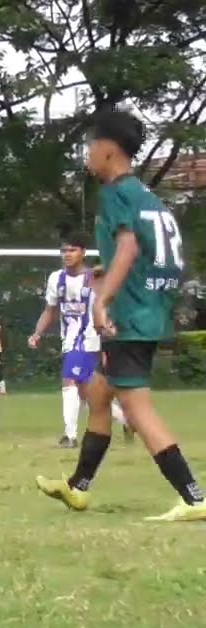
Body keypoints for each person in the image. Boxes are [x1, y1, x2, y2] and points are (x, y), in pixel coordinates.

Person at [36, 109, 204, 522]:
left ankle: (194, 495)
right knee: (98, 394)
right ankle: (78, 488)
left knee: (137, 408)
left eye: (91, 146)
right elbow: (157, 256)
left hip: (129, 317)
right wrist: (110, 277)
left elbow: (128, 248)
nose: (88, 155)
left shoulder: (115, 194)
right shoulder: (148, 198)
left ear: (109, 150)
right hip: (149, 310)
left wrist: (102, 299)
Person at [28, 236, 132, 448]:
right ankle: (127, 420)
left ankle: (70, 436)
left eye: (72, 250)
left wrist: (109, 325)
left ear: (83, 252)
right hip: (69, 339)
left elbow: (119, 268)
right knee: (87, 393)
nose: (67, 254)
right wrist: (37, 333)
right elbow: (50, 310)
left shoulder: (95, 278)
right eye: (64, 251)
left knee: (68, 381)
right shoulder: (56, 279)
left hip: (89, 338)